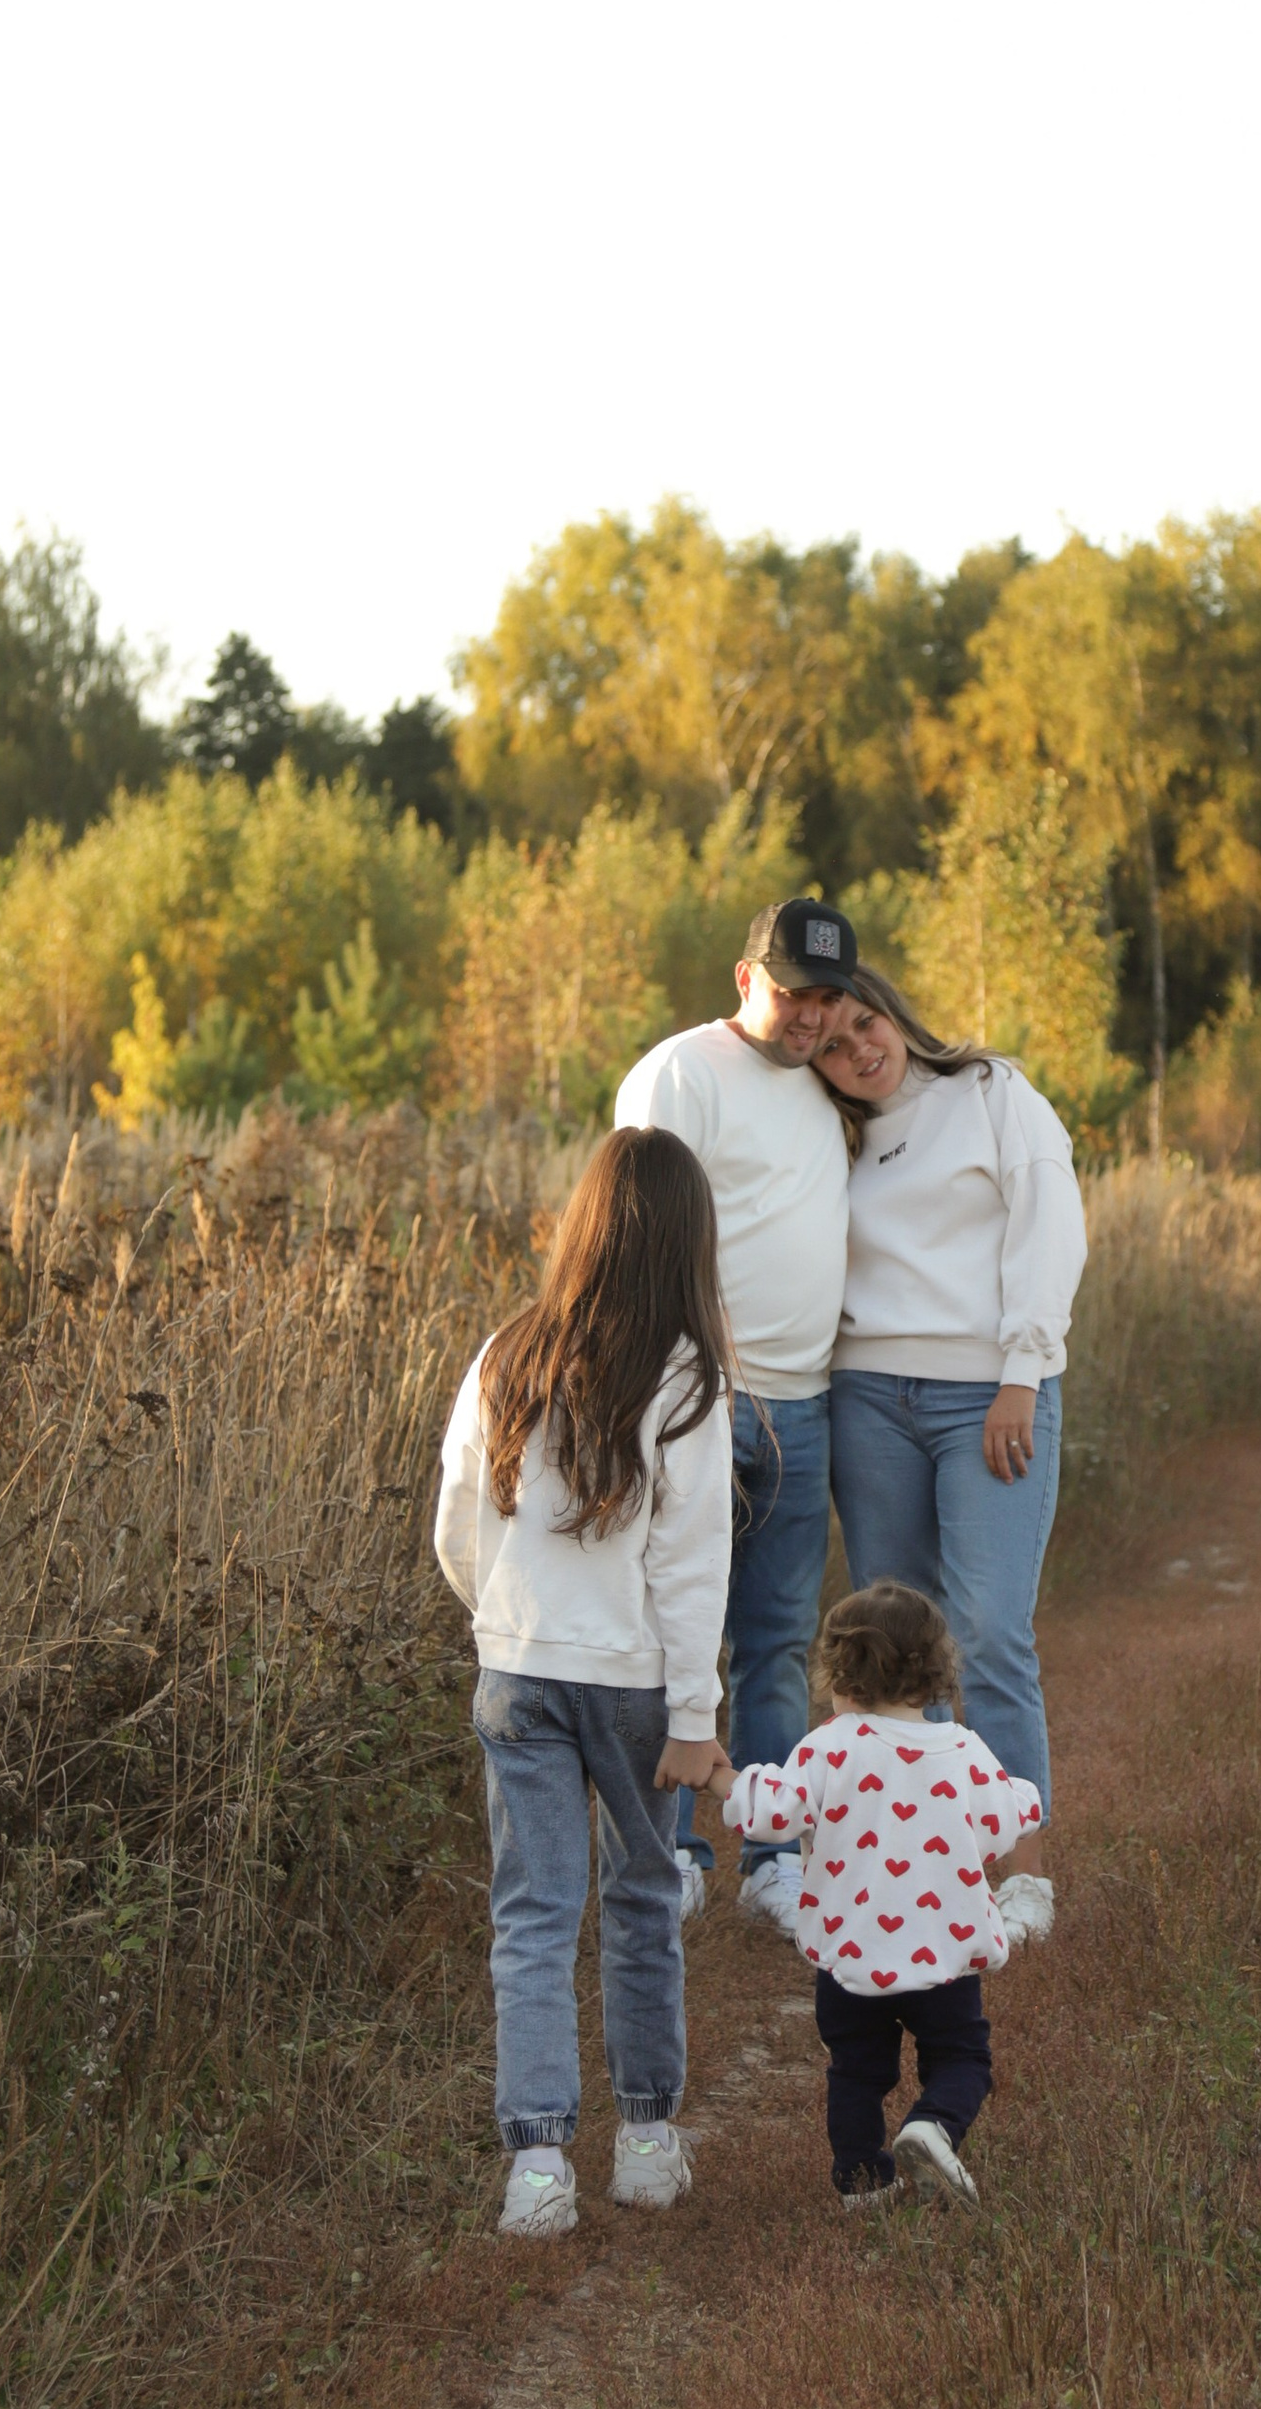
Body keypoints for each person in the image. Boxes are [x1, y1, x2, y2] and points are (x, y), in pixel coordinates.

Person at [434, 1126, 733, 2240]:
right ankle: (646, 2143)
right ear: (685, 1241)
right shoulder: (688, 1378)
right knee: (644, 1901)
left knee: (532, 1916)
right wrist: (697, 1720)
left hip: (517, 1670)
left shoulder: (506, 1352)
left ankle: (538, 2166)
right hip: (634, 1684)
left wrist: (504, 1621)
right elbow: (691, 1564)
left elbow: (458, 1525)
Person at [614, 896, 855, 1934]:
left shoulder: (829, 1087)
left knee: (775, 1641)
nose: (809, 1015)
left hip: (803, 1404)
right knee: (676, 1636)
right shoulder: (679, 1074)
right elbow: (633, 1235)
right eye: (793, 990)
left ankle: (769, 1855)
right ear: (744, 977)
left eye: (827, 996)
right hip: (697, 1399)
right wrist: (664, 1385)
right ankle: (667, 1851)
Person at [814, 962, 1086, 1815]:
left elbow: (1051, 1223)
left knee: (991, 1634)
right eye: (830, 1046)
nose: (859, 1050)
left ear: (893, 1012)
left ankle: (1018, 1866)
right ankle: (919, 1853)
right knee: (895, 1648)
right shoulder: (833, 1135)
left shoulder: (990, 1092)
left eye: (866, 1023)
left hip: (987, 1396)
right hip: (867, 1402)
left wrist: (1022, 1370)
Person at [724, 1577, 1051, 2209]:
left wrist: (723, 1781)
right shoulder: (962, 1750)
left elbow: (772, 1814)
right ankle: (932, 2126)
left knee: (856, 2072)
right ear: (934, 1674)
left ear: (839, 1674)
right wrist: (1021, 1800)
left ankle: (862, 2185)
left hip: (851, 1958)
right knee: (962, 2059)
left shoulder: (828, 1749)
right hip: (945, 1956)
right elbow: (1006, 1822)